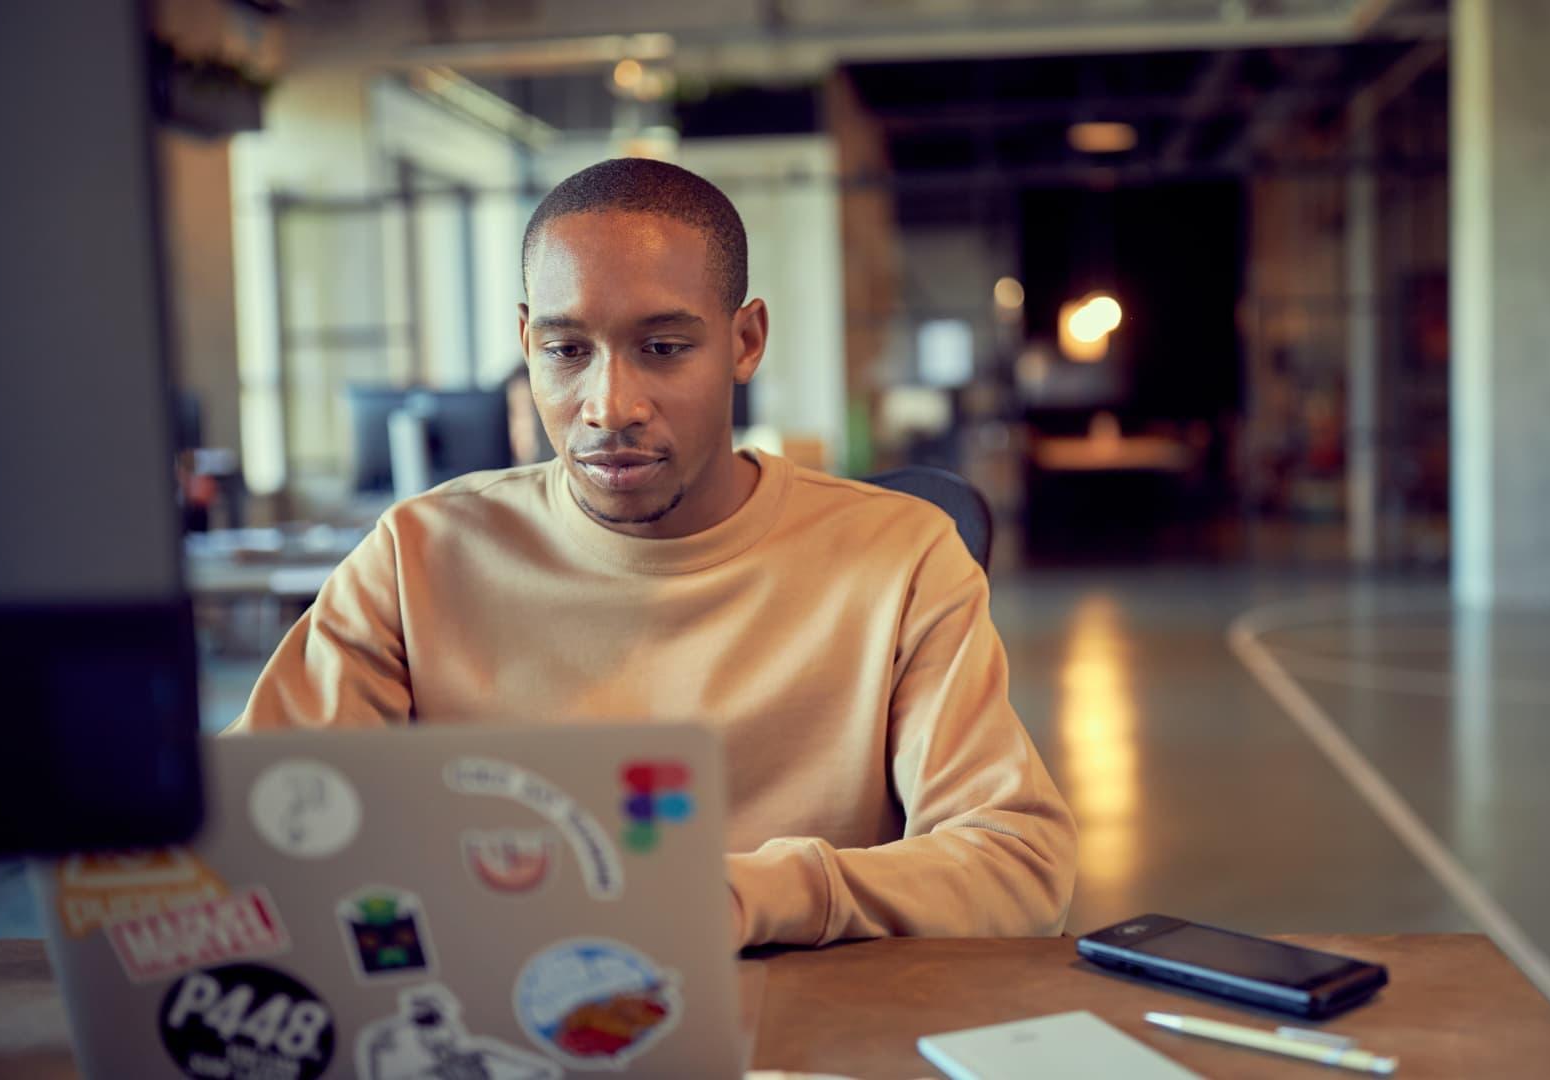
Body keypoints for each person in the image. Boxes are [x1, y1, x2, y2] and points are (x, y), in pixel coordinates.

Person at [231, 158, 1077, 949]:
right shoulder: (420, 555)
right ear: (527, 344)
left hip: (809, 1043)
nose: (609, 405)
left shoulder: (899, 555)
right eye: (566, 351)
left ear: (745, 342)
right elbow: (249, 824)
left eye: (664, 348)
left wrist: (743, 897)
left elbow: (1017, 862)